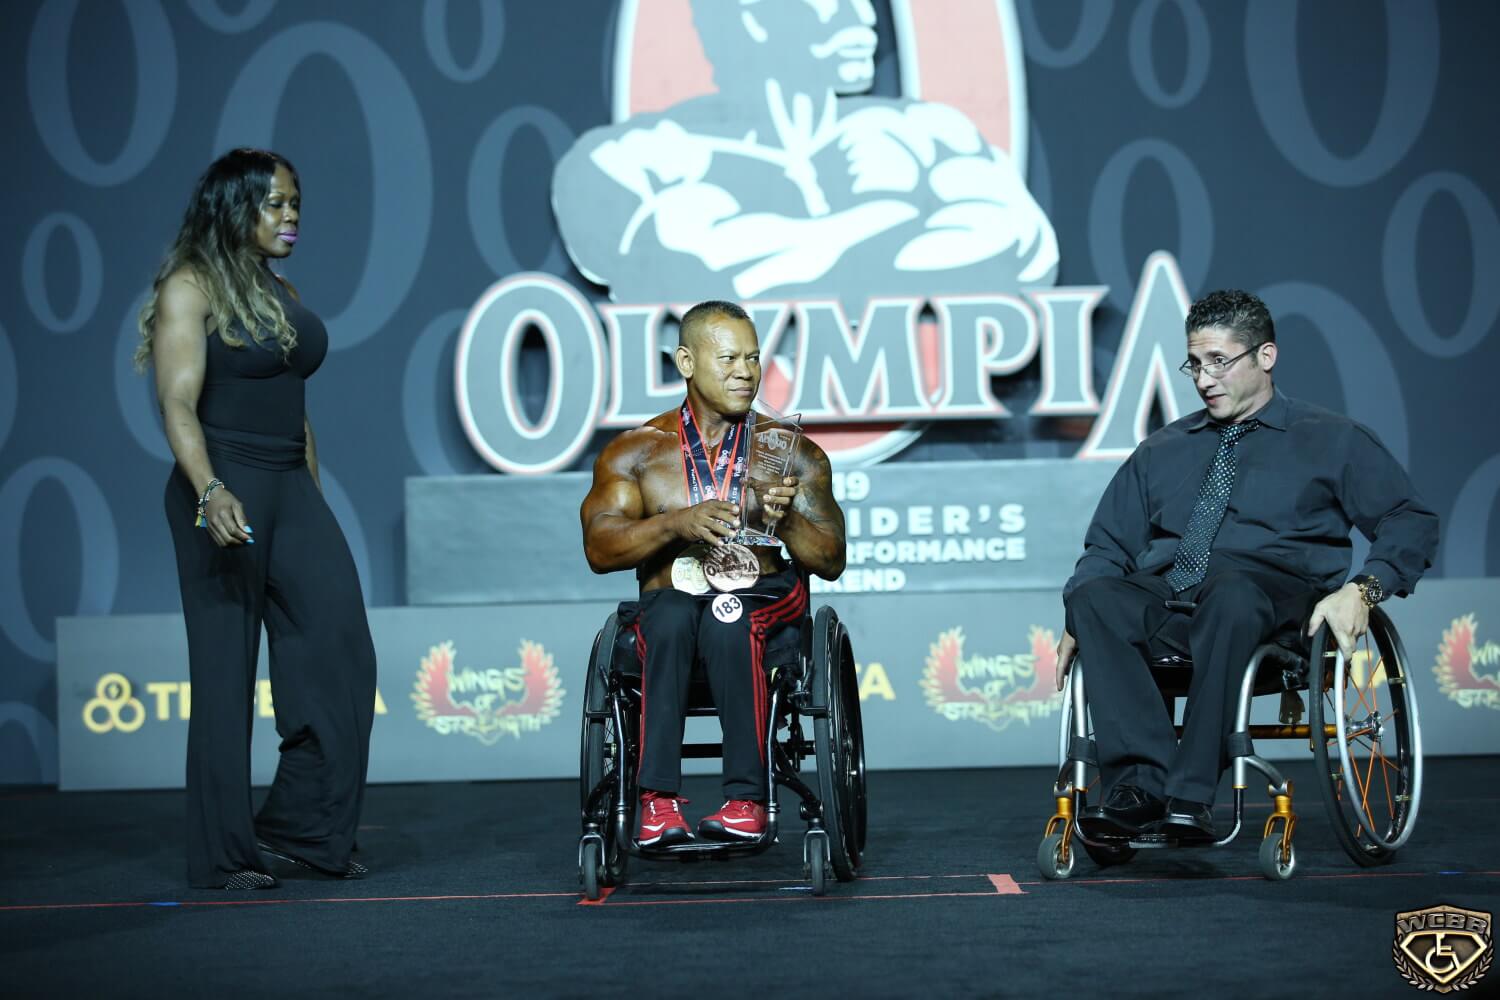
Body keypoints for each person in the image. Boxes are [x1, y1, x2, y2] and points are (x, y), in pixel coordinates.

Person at [1054, 289, 1438, 843]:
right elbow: (1106, 546)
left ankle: (1191, 794)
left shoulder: (1332, 439)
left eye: (1219, 361)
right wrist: (1079, 611)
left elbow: (1410, 519)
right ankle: (1139, 789)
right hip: (1175, 598)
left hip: (1275, 599)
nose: (1204, 379)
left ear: (1265, 356)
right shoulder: (1162, 449)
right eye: (1194, 364)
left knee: (1231, 592)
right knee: (1094, 598)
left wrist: (1364, 589)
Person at [135, 148, 377, 889]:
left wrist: (312, 499)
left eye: (295, 202)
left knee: (341, 652)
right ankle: (223, 855)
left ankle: (302, 827)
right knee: (224, 674)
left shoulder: (282, 291)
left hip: (290, 488)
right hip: (220, 485)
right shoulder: (190, 286)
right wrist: (209, 489)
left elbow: (296, 413)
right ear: (233, 208)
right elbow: (177, 402)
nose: (291, 215)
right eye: (275, 203)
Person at [580, 300, 846, 844]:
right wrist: (676, 523)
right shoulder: (636, 452)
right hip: (671, 601)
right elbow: (600, 551)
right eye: (728, 359)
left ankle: (747, 800)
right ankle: (656, 801)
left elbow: (831, 560)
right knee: (671, 617)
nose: (745, 372)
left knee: (729, 617)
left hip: (763, 596)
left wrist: (786, 518)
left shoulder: (791, 453)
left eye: (753, 358)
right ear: (686, 362)